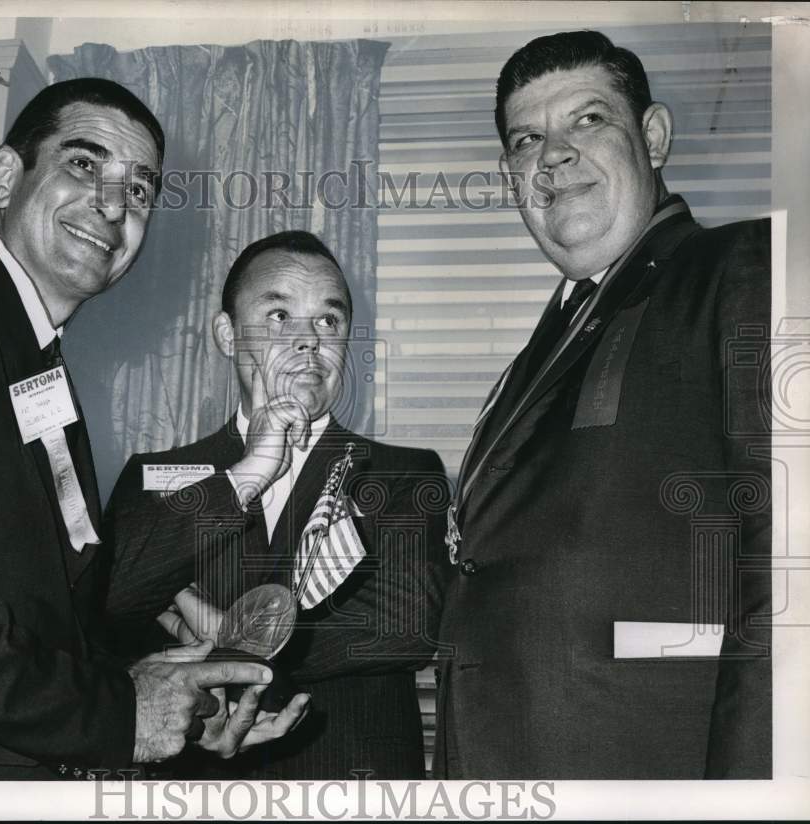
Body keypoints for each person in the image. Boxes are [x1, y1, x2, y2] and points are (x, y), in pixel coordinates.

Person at [0, 78, 305, 780]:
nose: (114, 205)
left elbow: (40, 601)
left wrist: (170, 695)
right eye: (83, 164)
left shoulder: (36, 360)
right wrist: (119, 715)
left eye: (140, 190)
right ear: (4, 176)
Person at [434, 30, 771, 779]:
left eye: (588, 120)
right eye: (527, 139)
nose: (552, 155)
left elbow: (787, 572)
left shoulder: (740, 267)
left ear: (652, 137)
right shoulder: (543, 348)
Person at [103, 230, 451, 779]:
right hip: (196, 787)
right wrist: (249, 474)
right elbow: (112, 607)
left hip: (351, 787)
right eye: (279, 316)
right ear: (226, 334)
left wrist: (230, 646)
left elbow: (409, 625)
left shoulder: (404, 474)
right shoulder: (154, 478)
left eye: (329, 321)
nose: (308, 340)